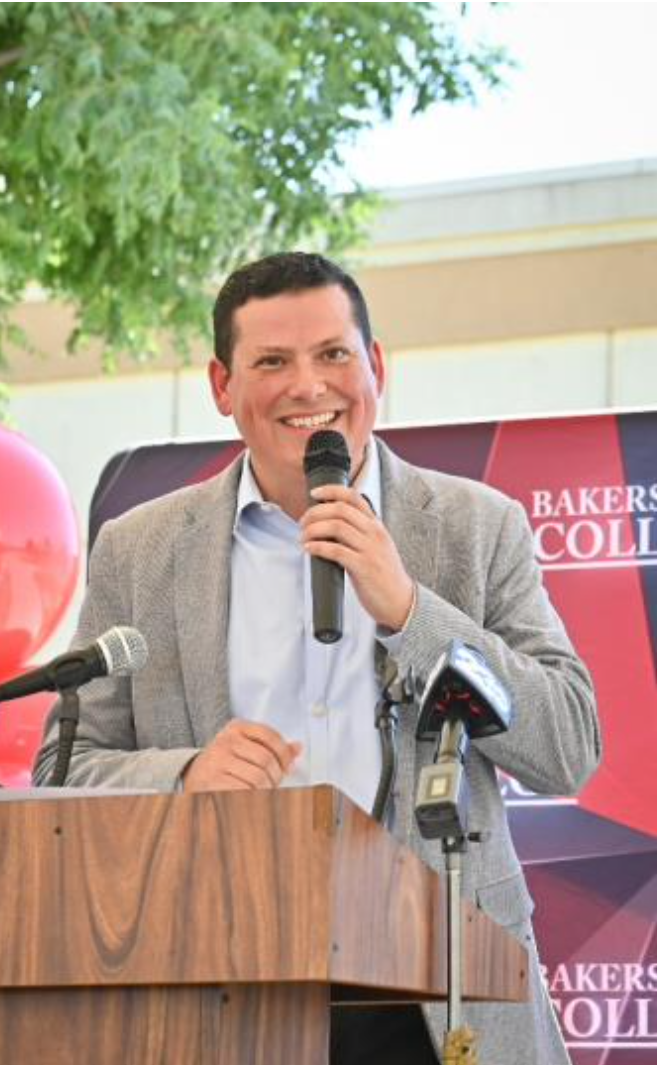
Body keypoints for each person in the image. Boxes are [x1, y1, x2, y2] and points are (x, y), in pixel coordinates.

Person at [33, 252, 600, 1063]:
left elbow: (569, 746)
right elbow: (59, 766)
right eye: (272, 361)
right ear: (222, 386)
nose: (309, 386)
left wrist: (409, 607)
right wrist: (185, 775)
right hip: (220, 987)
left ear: (375, 366)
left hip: (436, 991)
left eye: (334, 354)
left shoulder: (477, 527)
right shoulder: (140, 551)